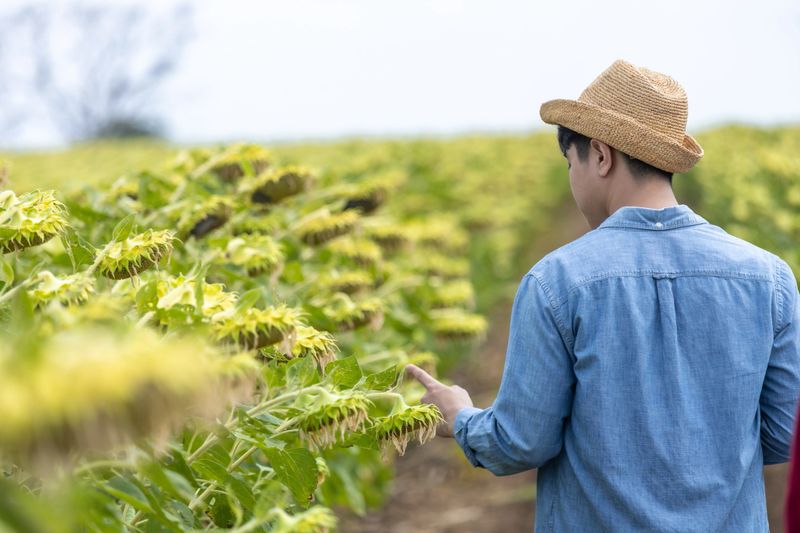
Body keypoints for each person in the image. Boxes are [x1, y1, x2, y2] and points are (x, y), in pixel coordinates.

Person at [405, 58, 800, 532]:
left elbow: (520, 443)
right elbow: (784, 436)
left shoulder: (557, 281)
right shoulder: (768, 277)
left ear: (600, 155)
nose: (573, 181)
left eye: (570, 163)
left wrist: (461, 415)